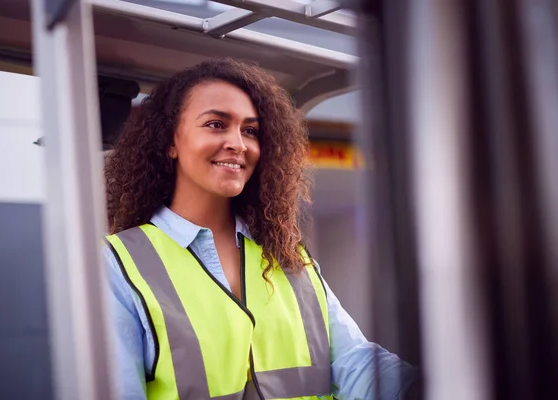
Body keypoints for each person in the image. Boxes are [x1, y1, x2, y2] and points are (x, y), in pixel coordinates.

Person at [103, 58, 419, 400]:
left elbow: (355, 364)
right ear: (171, 142)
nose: (238, 143)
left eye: (250, 130)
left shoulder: (287, 255)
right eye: (215, 124)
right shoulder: (118, 265)